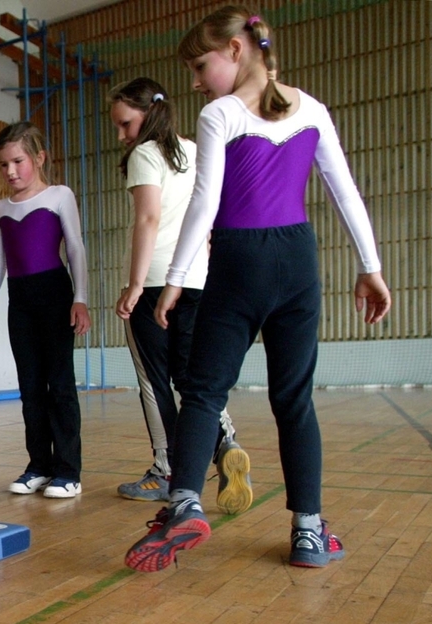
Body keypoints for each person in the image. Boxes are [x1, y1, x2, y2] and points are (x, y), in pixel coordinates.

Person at [124, 7, 391, 573]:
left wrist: (174, 281)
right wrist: (371, 266)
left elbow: (206, 201)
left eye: (201, 65)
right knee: (294, 400)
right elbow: (345, 193)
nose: (196, 81)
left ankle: (184, 503)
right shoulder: (312, 109)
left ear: (237, 50)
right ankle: (309, 532)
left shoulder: (220, 112)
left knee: (202, 391)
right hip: (297, 261)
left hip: (239, 260)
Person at [109, 77, 252, 515]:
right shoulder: (194, 151)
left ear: (148, 114)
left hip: (156, 281)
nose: (122, 135)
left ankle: (166, 467)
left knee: (155, 383)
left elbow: (148, 219)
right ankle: (225, 440)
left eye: (126, 123)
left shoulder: (145, 155)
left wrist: (135, 286)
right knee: (195, 379)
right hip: (198, 280)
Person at [0, 121, 91, 499]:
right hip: (19, 299)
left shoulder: (59, 196)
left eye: (17, 161)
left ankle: (68, 471)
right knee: (30, 387)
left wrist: (81, 298)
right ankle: (38, 465)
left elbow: (75, 248)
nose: (10, 171)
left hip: (55, 293)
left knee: (60, 385)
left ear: (38, 158)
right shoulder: (0, 208)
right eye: (3, 165)